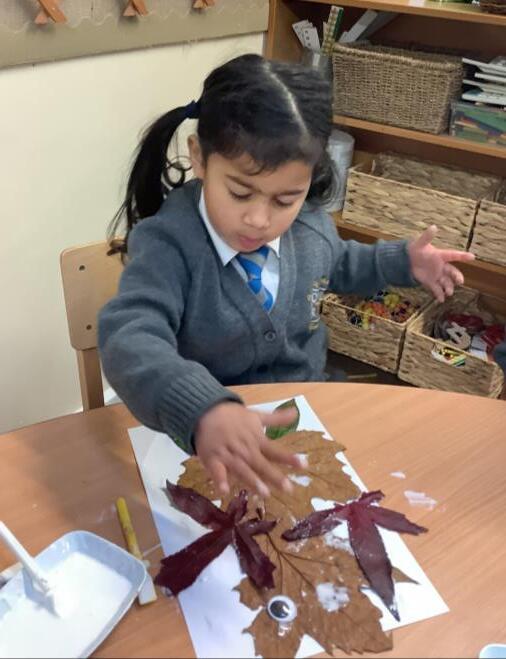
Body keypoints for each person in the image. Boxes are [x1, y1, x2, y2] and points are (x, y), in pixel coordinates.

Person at [98, 54, 474, 498]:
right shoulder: (169, 245)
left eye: (285, 200)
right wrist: (201, 408)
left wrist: (402, 262)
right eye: (240, 192)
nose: (259, 220)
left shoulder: (310, 227)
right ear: (198, 158)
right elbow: (130, 335)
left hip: (307, 408)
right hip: (210, 437)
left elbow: (340, 263)